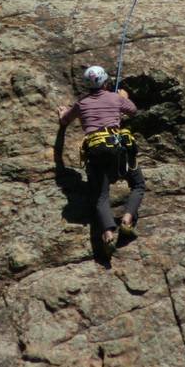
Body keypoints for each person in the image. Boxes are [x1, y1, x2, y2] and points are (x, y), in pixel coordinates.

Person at [57, 65, 146, 251]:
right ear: (105, 82)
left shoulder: (81, 103)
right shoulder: (114, 97)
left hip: (95, 152)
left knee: (101, 196)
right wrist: (122, 98)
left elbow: (65, 120)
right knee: (137, 184)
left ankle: (107, 235)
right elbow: (133, 110)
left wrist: (63, 113)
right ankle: (127, 221)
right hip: (118, 149)